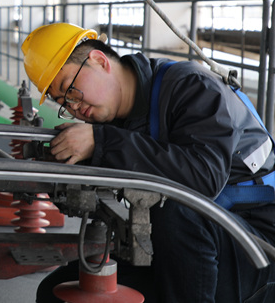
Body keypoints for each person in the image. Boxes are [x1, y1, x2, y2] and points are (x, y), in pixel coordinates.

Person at [21, 22, 275, 303]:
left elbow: (204, 178)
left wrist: (102, 142)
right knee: (58, 292)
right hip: (179, 243)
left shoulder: (191, 86)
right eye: (63, 103)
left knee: (179, 208)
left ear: (99, 61)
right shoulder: (118, 118)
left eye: (70, 90)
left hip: (255, 245)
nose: (73, 107)